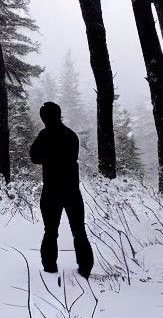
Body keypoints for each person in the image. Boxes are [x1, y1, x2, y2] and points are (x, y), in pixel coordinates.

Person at [30, 102, 94, 278]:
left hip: (51, 191)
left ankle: (50, 267)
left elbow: (34, 157)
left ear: (44, 118)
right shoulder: (71, 135)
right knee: (79, 230)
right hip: (72, 190)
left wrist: (48, 158)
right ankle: (85, 267)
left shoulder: (44, 135)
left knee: (50, 230)